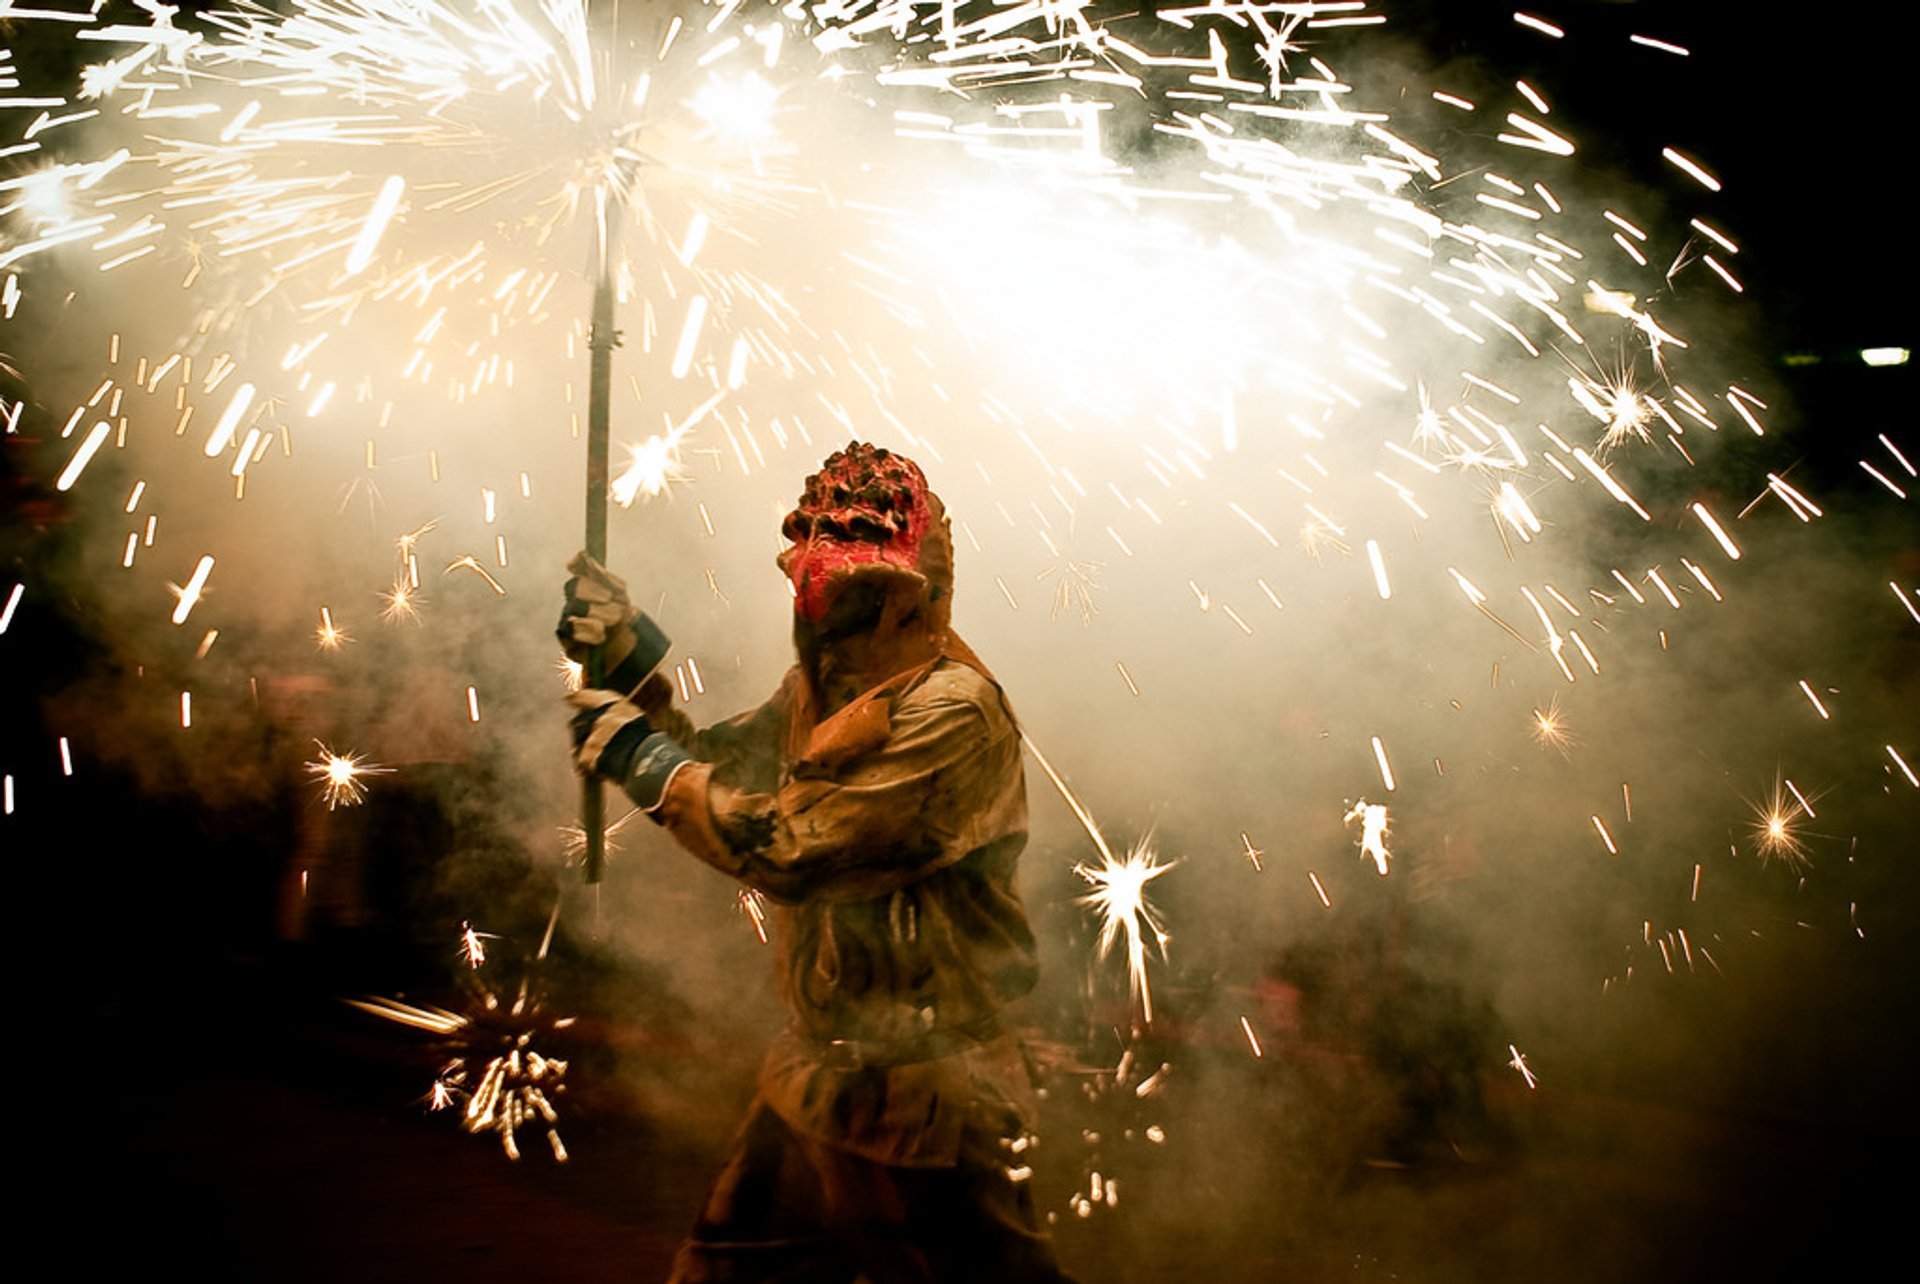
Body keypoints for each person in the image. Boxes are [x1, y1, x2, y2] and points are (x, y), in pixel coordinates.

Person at [561, 442, 1075, 1284]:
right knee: (722, 1271)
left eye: (857, 593)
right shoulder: (822, 692)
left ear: (913, 600)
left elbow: (790, 849)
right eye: (824, 586)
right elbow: (718, 775)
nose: (828, 615)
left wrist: (639, 758)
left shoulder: (953, 714)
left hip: (930, 1099)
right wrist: (630, 673)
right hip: (816, 1079)